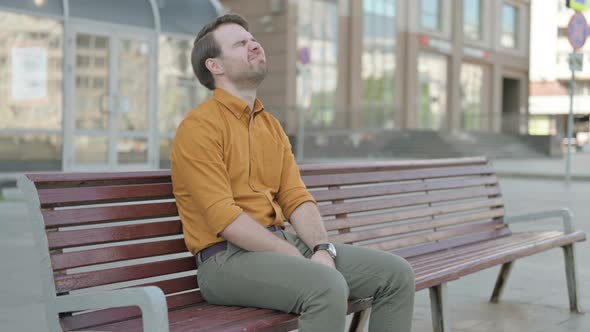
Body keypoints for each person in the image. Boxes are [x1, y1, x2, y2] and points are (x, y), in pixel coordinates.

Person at [170, 14, 415, 332]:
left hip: (278, 243)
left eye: (252, 39)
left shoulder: (269, 125)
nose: (254, 44)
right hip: (225, 262)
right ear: (215, 66)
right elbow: (223, 217)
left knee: (396, 275)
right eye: (240, 43)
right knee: (326, 286)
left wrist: (322, 249)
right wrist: (292, 255)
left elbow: (295, 196)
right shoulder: (198, 128)